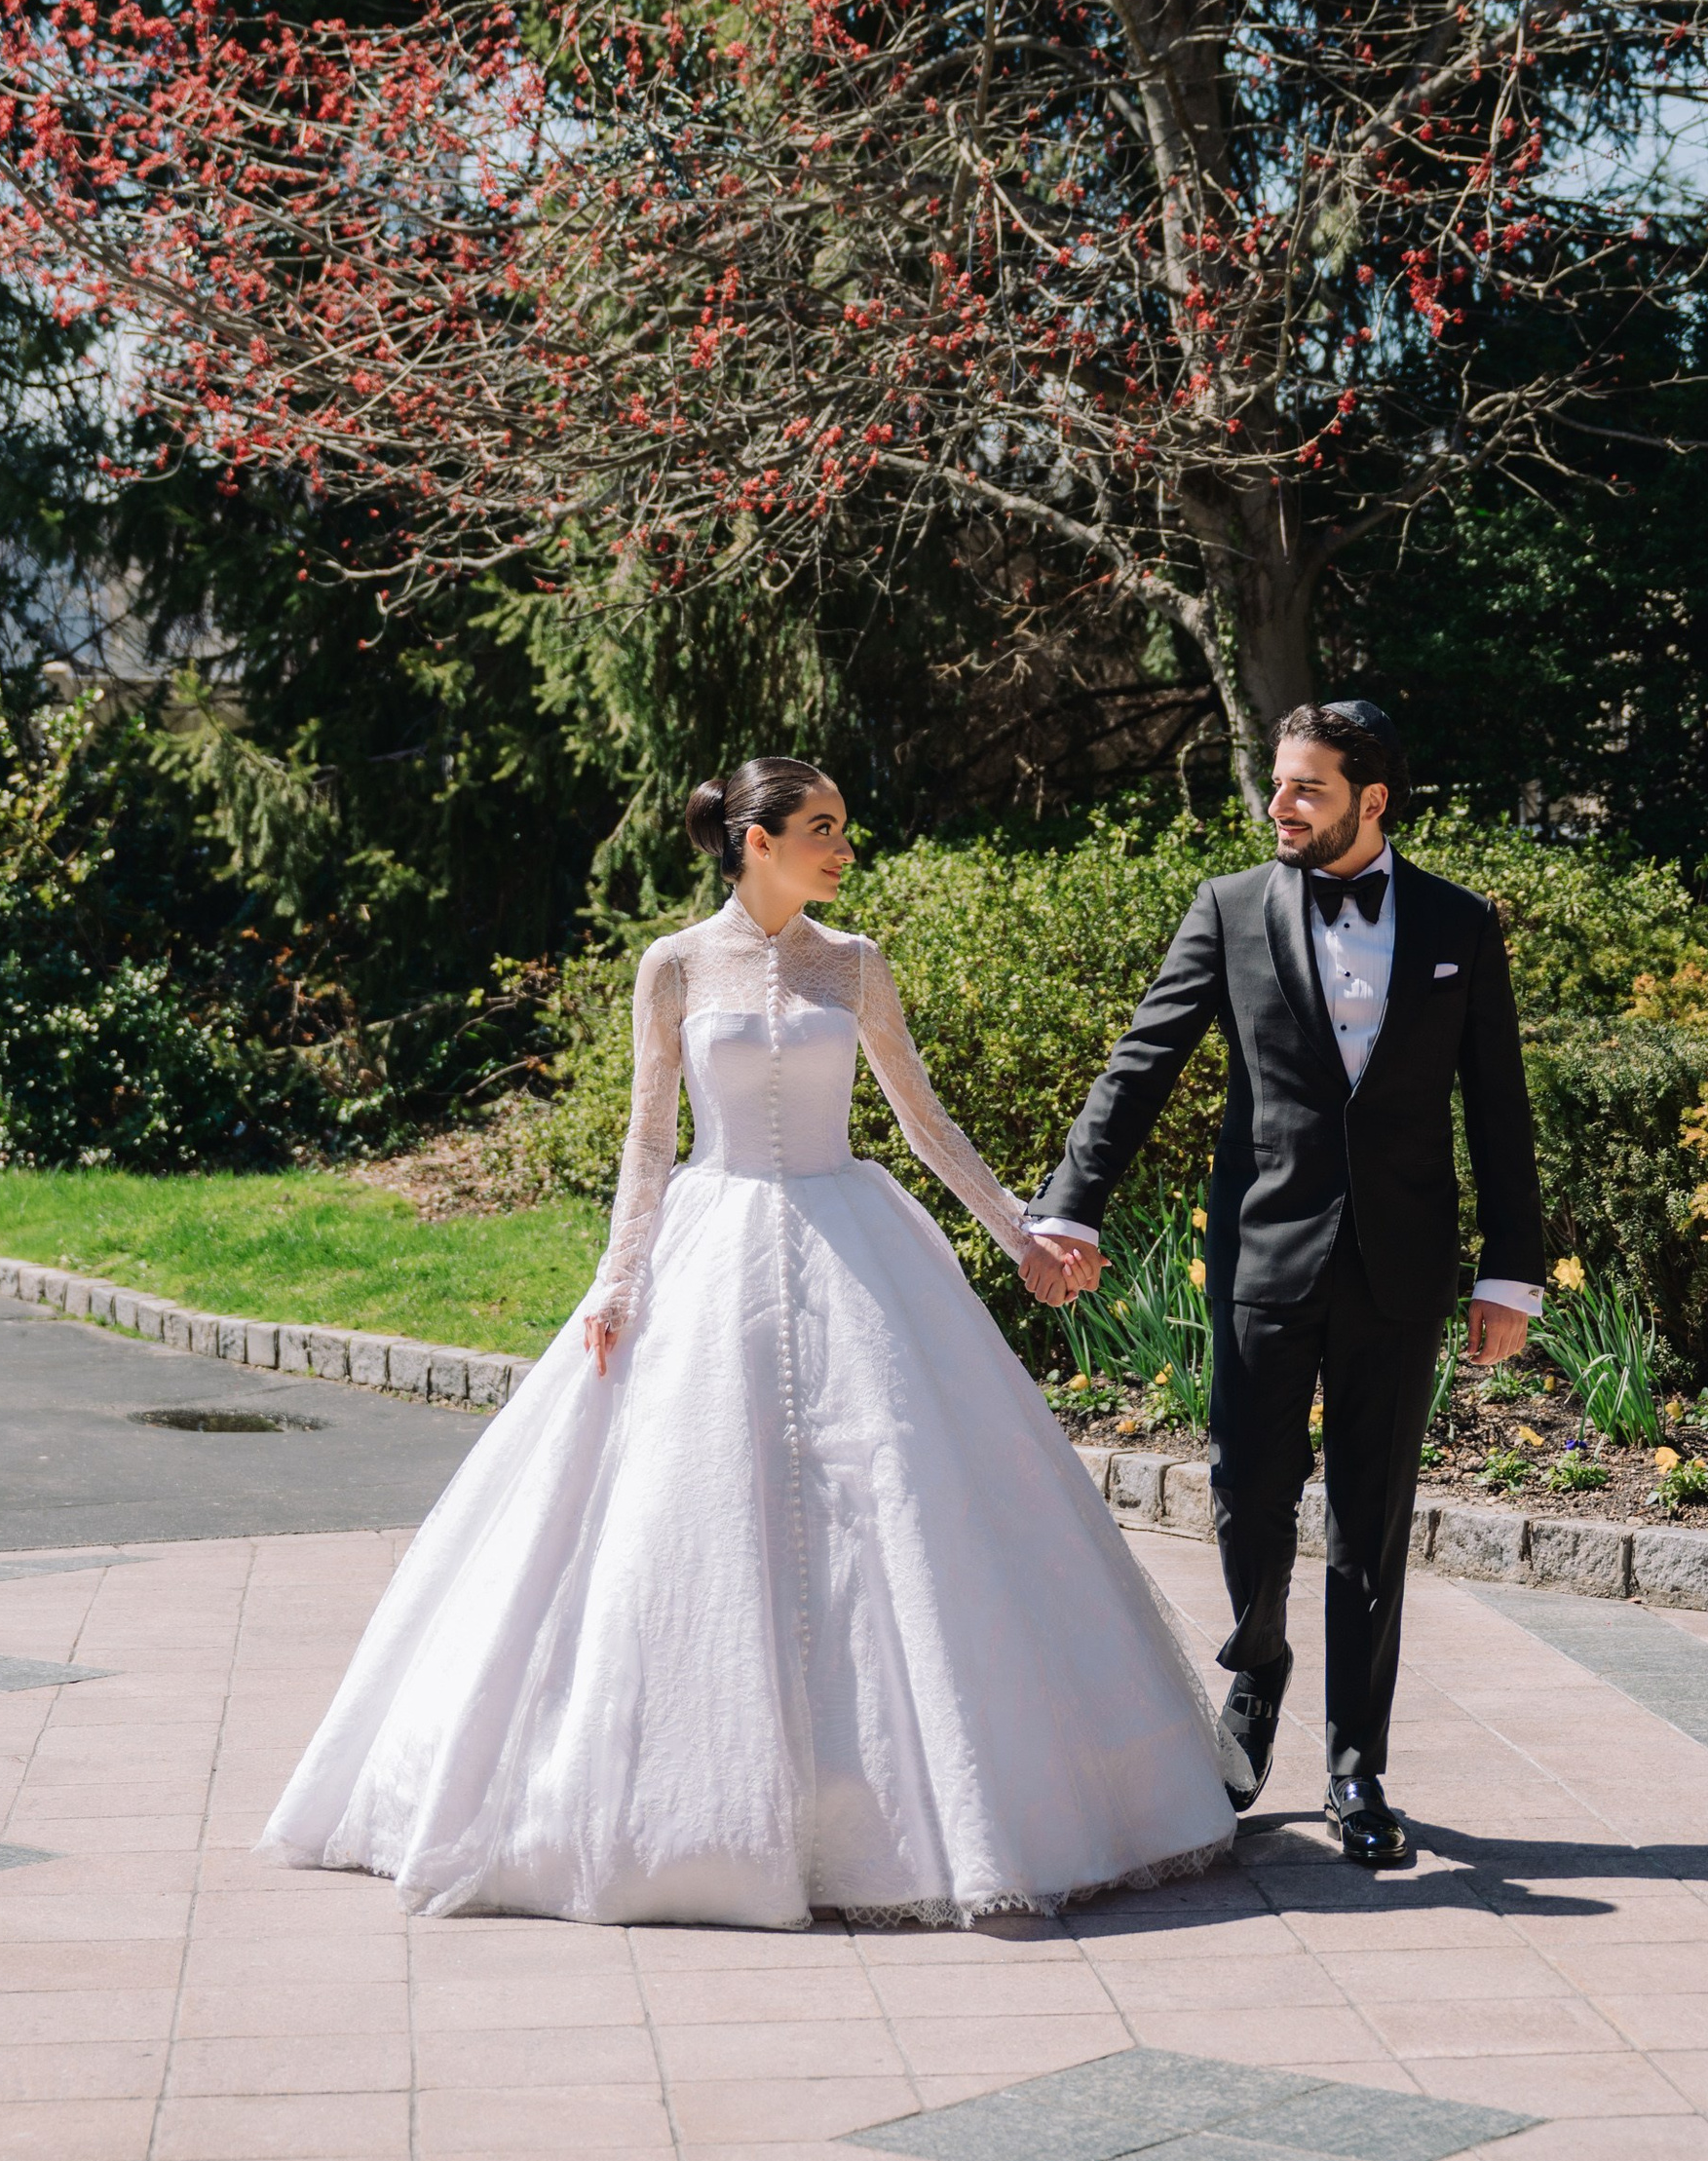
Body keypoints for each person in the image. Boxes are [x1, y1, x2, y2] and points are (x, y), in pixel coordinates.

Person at [262, 754, 1237, 1927]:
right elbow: (647, 1142)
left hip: (854, 1248)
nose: (842, 848)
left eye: (842, 826)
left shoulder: (855, 963)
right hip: (710, 1247)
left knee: (895, 1516)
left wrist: (1020, 1235)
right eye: (821, 828)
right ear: (755, 840)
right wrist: (619, 1282)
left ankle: (907, 1815)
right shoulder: (672, 965)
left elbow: (923, 1122)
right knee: (691, 1524)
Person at [1032, 701, 1544, 1870]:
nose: (1279, 806)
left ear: (1372, 801)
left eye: (1306, 788)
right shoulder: (1229, 907)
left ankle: (1357, 1770)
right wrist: (1070, 1203)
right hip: (1266, 1252)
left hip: (1401, 1269)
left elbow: (1500, 1112)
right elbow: (1140, 1063)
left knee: (1373, 1522)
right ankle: (1256, 1661)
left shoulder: (1461, 924)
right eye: (1277, 783)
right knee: (1247, 1493)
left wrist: (1508, 1275)